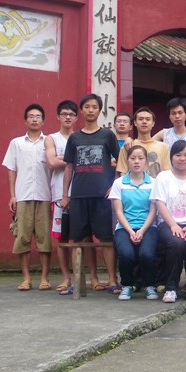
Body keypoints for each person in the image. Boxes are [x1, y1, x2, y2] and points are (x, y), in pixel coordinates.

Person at [61, 94, 120, 294]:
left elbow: (120, 162)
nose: (91, 110)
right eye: (87, 107)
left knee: (106, 239)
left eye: (94, 107)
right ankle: (81, 281)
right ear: (82, 110)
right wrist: (65, 195)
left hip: (102, 195)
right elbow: (69, 166)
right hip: (78, 195)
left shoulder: (107, 135)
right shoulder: (75, 138)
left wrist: (115, 185)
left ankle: (112, 280)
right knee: (79, 240)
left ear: (99, 110)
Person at [44, 100, 99, 293]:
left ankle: (92, 277)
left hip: (83, 192)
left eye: (71, 114)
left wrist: (67, 160)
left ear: (77, 117)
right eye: (64, 114)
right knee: (63, 238)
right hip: (60, 194)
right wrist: (70, 159)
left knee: (86, 236)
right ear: (58, 116)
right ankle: (67, 278)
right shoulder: (51, 138)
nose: (68, 117)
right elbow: (51, 162)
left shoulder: (80, 137)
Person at [150, 140, 186, 308]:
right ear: (171, 157)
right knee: (175, 243)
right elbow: (159, 203)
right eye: (178, 155)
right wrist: (173, 225)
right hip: (168, 224)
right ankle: (171, 287)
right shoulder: (163, 177)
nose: (182, 158)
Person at [2, 103, 53, 291]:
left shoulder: (49, 142)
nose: (34, 119)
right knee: (22, 237)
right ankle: (26, 278)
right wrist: (12, 195)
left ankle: (45, 278)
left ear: (43, 120)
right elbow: (11, 170)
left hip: (44, 196)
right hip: (22, 196)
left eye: (38, 116)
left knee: (44, 239)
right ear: (25, 120)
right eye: (31, 116)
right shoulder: (16, 143)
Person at [109, 145, 159, 301]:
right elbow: (118, 211)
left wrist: (142, 230)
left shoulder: (153, 183)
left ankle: (149, 285)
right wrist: (131, 231)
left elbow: (153, 211)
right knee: (126, 254)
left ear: (146, 161)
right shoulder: (119, 183)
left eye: (140, 158)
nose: (136, 162)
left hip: (148, 226)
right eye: (133, 158)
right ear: (127, 160)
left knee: (147, 254)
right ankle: (127, 285)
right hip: (125, 227)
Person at [116, 107, 171, 179]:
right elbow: (123, 173)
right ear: (135, 123)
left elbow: (167, 172)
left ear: (153, 123)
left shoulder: (163, 147)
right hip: (134, 189)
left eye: (148, 119)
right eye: (140, 119)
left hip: (157, 188)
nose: (144, 122)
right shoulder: (128, 146)